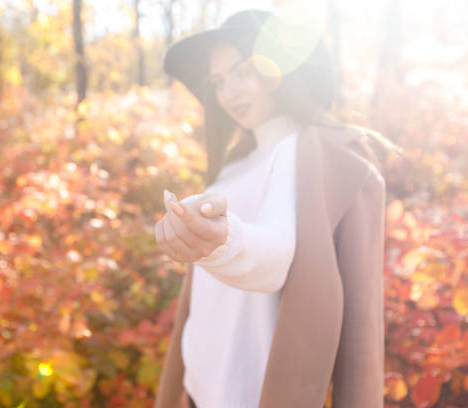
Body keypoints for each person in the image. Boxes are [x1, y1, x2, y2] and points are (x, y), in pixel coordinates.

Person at [153, 8, 401, 408]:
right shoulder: (231, 170)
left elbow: (274, 258)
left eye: (242, 71)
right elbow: (201, 298)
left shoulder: (307, 152)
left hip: (251, 395)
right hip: (199, 389)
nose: (229, 91)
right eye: (218, 81)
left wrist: (220, 242)